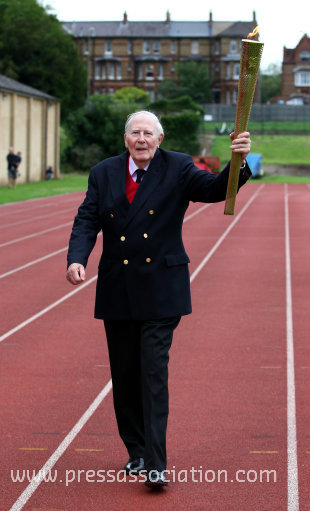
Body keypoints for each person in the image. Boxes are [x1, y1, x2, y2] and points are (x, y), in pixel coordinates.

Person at [66, 110, 252, 488]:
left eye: (148, 133)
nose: (141, 139)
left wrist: (239, 160)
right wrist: (76, 258)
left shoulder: (179, 167)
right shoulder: (103, 172)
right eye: (135, 132)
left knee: (152, 373)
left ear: (160, 138)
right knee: (125, 375)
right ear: (125, 139)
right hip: (117, 288)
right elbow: (87, 218)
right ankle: (135, 451)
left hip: (161, 289)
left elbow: (215, 189)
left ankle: (155, 463)